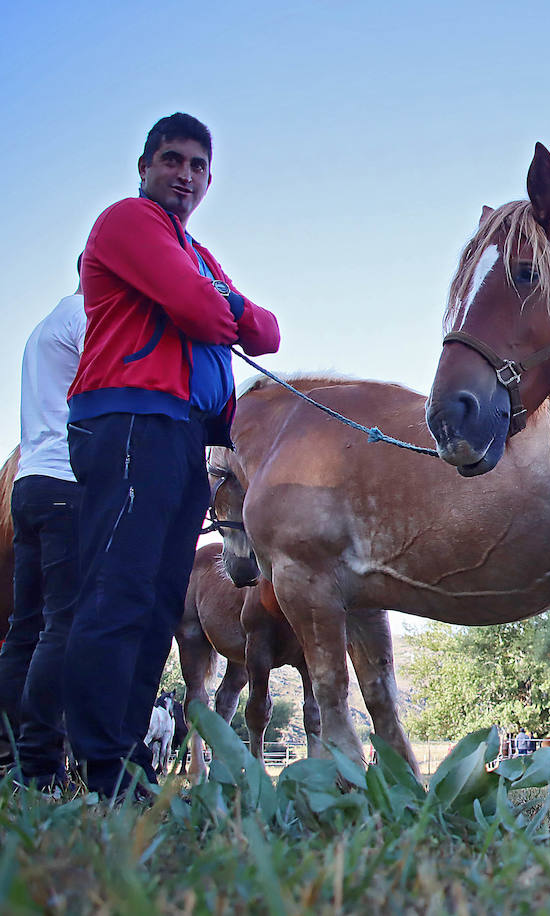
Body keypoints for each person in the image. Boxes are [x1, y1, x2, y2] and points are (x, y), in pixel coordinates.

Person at [63, 113, 280, 798]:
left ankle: (127, 764)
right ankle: (100, 766)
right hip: (131, 420)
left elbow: (265, 331)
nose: (184, 174)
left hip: (187, 437)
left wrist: (217, 299)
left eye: (196, 166)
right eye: (171, 160)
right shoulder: (128, 223)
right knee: (119, 592)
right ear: (144, 167)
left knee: (157, 603)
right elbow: (206, 312)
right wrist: (217, 301)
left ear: (209, 179)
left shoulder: (194, 250)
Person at [0, 258, 86, 789]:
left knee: (24, 628)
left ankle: (11, 756)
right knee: (64, 625)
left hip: (29, 485)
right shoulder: (87, 317)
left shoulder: (45, 325)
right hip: (68, 484)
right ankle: (42, 766)